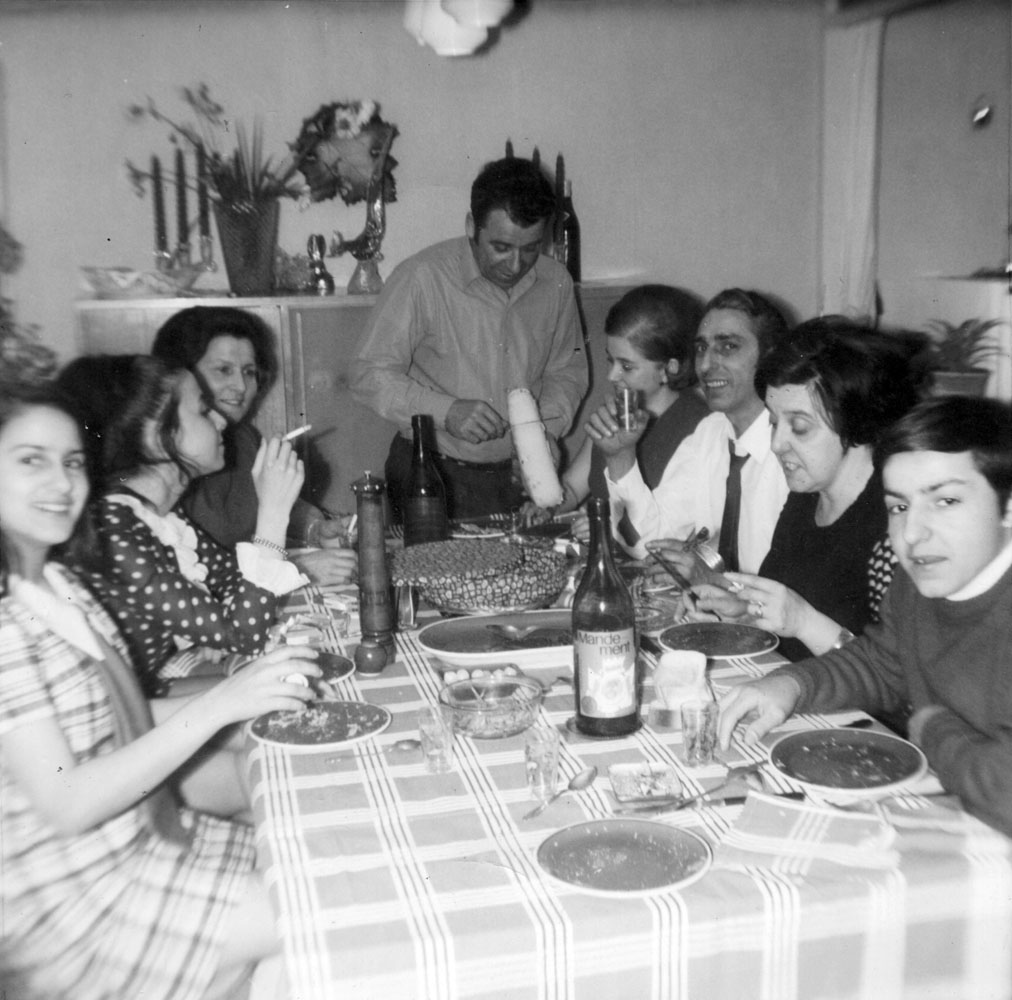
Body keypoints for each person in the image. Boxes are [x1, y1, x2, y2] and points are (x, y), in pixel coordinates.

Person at [0, 369, 322, 999]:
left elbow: (120, 713)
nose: (62, 482)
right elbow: (66, 805)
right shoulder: (8, 625)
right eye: (30, 460)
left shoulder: (52, 589)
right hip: (73, 904)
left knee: (304, 865)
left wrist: (247, 687)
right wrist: (224, 702)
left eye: (71, 461)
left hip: (137, 843)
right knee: (322, 911)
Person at [718, 396, 1012, 836]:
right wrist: (790, 685)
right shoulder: (914, 586)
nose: (911, 534)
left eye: (946, 501)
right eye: (898, 507)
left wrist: (931, 726)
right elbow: (880, 662)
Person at [661, 317, 928, 659]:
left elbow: (900, 683)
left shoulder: (895, 523)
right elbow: (785, 627)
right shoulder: (805, 498)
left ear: (857, 422)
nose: (777, 443)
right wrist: (743, 613)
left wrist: (805, 623)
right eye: (774, 422)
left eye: (799, 427)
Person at [351, 156, 589, 521]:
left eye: (530, 249)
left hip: (520, 476)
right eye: (501, 247)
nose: (515, 265)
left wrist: (546, 435)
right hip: (431, 472)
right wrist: (445, 411)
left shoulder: (556, 281)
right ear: (470, 226)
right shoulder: (422, 277)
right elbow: (368, 374)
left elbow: (567, 372)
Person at [57, 354, 307, 696]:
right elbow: (247, 635)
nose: (220, 419)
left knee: (297, 683)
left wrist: (214, 626)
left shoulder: (159, 515)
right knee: (283, 696)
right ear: (156, 436)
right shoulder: (114, 528)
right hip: (118, 715)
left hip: (149, 687)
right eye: (203, 410)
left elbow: (232, 583)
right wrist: (273, 514)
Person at [152, 306, 357, 585]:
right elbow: (188, 573)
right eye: (223, 370)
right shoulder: (165, 461)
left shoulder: (245, 439)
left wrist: (316, 529)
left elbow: (271, 506)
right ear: (182, 376)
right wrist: (298, 568)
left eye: (249, 372)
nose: (240, 386)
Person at [591, 288, 790, 568]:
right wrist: (621, 457)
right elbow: (647, 542)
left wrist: (712, 577)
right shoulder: (710, 434)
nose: (706, 364)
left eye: (728, 346)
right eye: (701, 349)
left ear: (770, 356)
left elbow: (791, 587)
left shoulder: (792, 447)